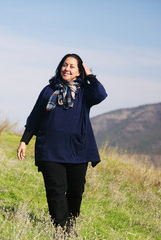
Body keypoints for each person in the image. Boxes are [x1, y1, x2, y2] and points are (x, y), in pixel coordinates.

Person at [17, 53, 107, 233]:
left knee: (76, 192)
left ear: (78, 71)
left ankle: (71, 223)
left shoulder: (84, 92)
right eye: (64, 65)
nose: (67, 68)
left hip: (78, 150)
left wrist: (89, 75)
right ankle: (62, 230)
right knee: (56, 191)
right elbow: (35, 116)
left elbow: (101, 94)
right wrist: (24, 141)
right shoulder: (48, 90)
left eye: (72, 66)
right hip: (50, 149)